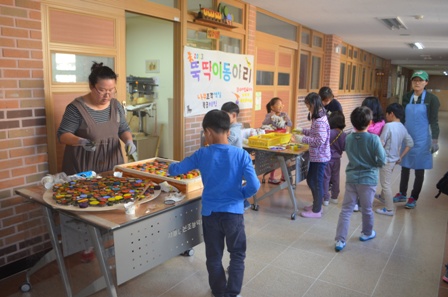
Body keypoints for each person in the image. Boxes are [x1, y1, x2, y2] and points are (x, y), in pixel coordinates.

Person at [168, 110, 260, 297]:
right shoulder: (241, 154)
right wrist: (240, 194)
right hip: (233, 214)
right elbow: (255, 185)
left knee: (214, 256)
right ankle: (233, 293)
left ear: (208, 132)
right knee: (237, 254)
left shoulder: (202, 154)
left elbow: (176, 170)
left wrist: (169, 167)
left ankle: (218, 292)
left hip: (210, 214)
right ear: (227, 130)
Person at [57, 62, 136, 175]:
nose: (107, 95)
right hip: (84, 168)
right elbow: (62, 136)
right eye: (102, 90)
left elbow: (123, 129)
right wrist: (81, 141)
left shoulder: (115, 105)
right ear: (91, 86)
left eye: (111, 90)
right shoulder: (76, 108)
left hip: (112, 165)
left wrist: (129, 141)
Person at [334, 106, 386, 251]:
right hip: (368, 179)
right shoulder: (374, 139)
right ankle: (367, 233)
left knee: (346, 210)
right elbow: (382, 160)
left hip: (351, 177)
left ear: (352, 122)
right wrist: (373, 165)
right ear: (370, 122)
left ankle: (340, 240)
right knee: (367, 208)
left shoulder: (349, 137)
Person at [394, 70, 440, 209]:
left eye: (420, 80)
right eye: (415, 80)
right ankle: (402, 193)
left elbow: (434, 121)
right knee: (405, 166)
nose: (417, 83)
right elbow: (402, 118)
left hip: (422, 139)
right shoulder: (407, 96)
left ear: (426, 82)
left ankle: (413, 197)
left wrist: (435, 141)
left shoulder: (432, 99)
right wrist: (397, 133)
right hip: (407, 136)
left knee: (419, 169)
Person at [293, 92, 330, 218]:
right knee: (311, 179)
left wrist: (302, 139)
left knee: (316, 181)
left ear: (313, 104)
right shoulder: (318, 115)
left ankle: (316, 210)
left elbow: (319, 140)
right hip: (317, 155)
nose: (307, 108)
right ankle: (316, 205)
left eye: (308, 105)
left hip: (320, 156)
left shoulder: (319, 120)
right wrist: (302, 131)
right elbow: (315, 133)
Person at [375, 103, 414, 216]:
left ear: (391, 114)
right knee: (386, 180)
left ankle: (389, 209)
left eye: (387, 114)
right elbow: (410, 143)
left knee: (385, 184)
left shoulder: (389, 126)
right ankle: (383, 198)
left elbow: (381, 143)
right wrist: (400, 156)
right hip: (393, 160)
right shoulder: (402, 127)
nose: (386, 116)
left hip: (386, 159)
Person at [221, 101, 251, 211]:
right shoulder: (233, 128)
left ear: (233, 115)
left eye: (225, 115)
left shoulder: (233, 131)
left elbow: (224, 144)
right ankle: (242, 202)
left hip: (235, 163)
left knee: (234, 184)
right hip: (233, 162)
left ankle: (243, 203)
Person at [262, 97, 292, 184]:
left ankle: (284, 176)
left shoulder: (284, 114)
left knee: (284, 157)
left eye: (281, 104)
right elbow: (264, 123)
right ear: (272, 107)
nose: (280, 106)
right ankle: (271, 177)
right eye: (278, 105)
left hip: (283, 140)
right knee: (273, 158)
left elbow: (290, 124)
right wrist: (271, 117)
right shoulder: (269, 115)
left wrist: (286, 121)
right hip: (273, 141)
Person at [322, 111, 347, 206]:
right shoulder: (343, 134)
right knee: (336, 178)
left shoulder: (329, 132)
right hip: (337, 159)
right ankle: (335, 197)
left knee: (326, 178)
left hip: (327, 159)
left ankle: (325, 198)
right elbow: (344, 147)